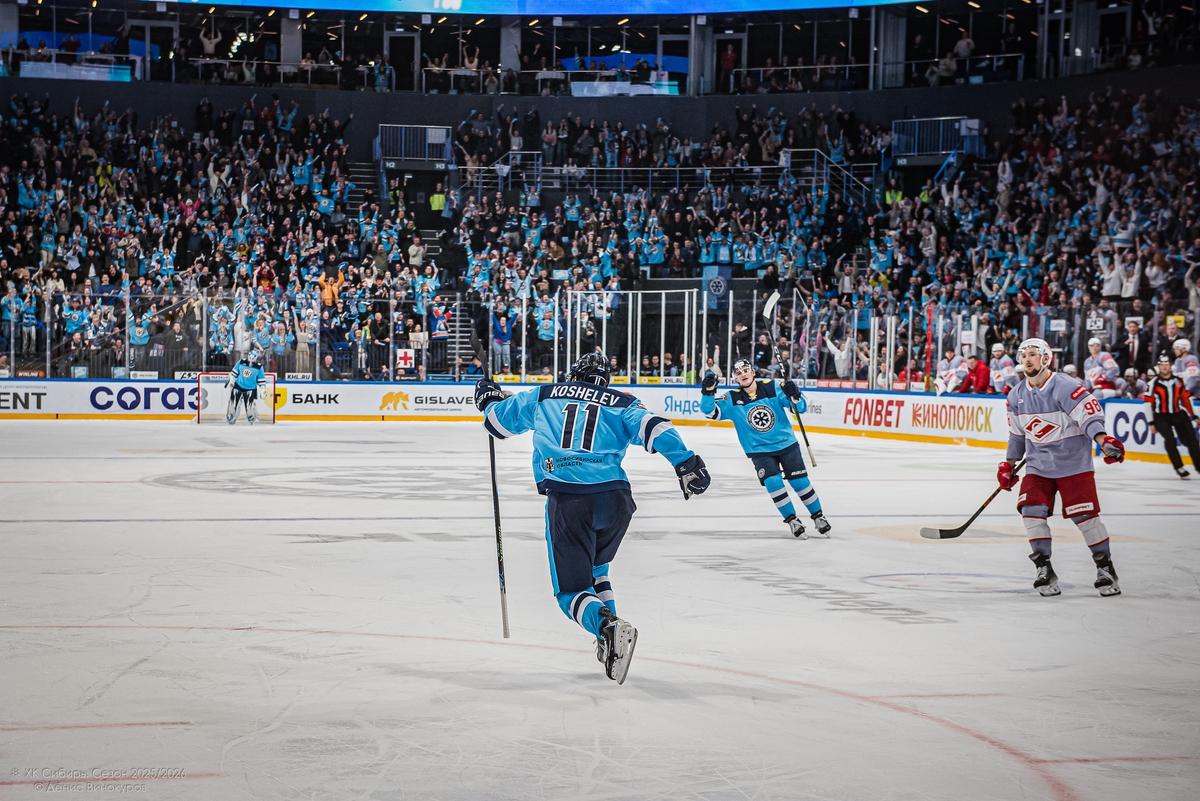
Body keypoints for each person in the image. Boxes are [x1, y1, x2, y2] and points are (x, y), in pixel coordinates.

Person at [474, 352, 710, 684]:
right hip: (616, 501)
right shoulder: (621, 401)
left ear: (574, 374)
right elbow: (655, 426)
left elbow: (496, 424)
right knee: (598, 571)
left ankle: (606, 626)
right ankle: (609, 641)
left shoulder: (545, 395)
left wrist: (488, 398)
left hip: (570, 501)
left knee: (570, 592)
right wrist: (685, 462)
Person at [998, 338, 1126, 597]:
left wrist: (1103, 440)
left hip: (1073, 465)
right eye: (1024, 356)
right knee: (1031, 511)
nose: (1027, 360)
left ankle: (1105, 568)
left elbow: (1089, 416)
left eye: (1033, 354)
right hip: (1038, 466)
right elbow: (1017, 435)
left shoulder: (1066, 386)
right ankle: (1044, 568)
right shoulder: (1015, 396)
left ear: (1046, 358)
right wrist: (1008, 465)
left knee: (1085, 517)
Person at [700, 358, 830, 538]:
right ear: (735, 378)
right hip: (759, 450)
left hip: (786, 444)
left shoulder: (773, 387)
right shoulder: (731, 398)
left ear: (753, 372)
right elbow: (709, 411)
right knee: (773, 482)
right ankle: (792, 520)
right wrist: (707, 392)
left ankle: (818, 516)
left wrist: (795, 394)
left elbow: (800, 408)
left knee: (800, 482)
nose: (743, 374)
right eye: (738, 373)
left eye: (746, 370)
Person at [1144, 354, 1200, 479]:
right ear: (1158, 367)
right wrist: (1151, 423)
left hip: (1178, 413)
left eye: (1167, 364)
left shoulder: (1178, 381)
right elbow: (1147, 404)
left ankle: (1198, 466)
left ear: (1171, 366)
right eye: (1162, 365)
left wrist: (1194, 415)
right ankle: (1179, 467)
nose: (1164, 367)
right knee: (1170, 440)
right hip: (1161, 417)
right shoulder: (1153, 383)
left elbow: (1185, 399)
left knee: (1192, 440)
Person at [225, 348, 268, 424]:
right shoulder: (241, 362)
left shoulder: (259, 367)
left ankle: (252, 418)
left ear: (256, 358)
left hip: (250, 389)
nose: (251, 359)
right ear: (248, 356)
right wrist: (231, 381)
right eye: (250, 357)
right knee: (233, 403)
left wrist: (263, 390)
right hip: (238, 386)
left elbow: (261, 381)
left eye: (253, 358)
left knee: (249, 406)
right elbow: (233, 373)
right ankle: (231, 417)